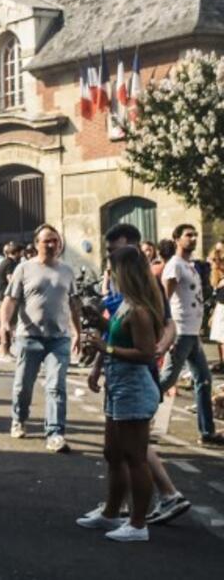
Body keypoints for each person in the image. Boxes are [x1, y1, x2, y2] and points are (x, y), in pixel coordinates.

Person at [84, 223, 191, 527]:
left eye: (113, 251)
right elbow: (117, 333)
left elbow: (165, 325)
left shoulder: (145, 289)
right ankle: (117, 510)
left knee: (134, 451)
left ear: (131, 249)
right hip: (120, 377)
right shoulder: (124, 289)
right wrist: (99, 359)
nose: (109, 259)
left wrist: (158, 347)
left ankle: (141, 516)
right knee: (117, 451)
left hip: (136, 377)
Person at [77, 246, 164, 542]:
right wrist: (100, 323)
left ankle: (138, 524)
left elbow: (146, 353)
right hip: (119, 387)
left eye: (112, 270)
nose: (108, 275)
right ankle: (111, 513)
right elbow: (118, 333)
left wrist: (107, 348)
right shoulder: (126, 304)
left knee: (134, 457)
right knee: (113, 453)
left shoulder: (139, 309)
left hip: (134, 388)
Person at [0, 224, 81, 454]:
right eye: (47, 241)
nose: (53, 245)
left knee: (56, 386)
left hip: (59, 338)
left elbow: (74, 304)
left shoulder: (67, 270)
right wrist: (5, 323)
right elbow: (10, 300)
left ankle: (55, 433)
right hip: (29, 337)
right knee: (23, 386)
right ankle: (19, 418)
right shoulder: (24, 269)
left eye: (55, 240)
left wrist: (78, 333)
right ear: (36, 244)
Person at [159, 224, 223, 446]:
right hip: (180, 332)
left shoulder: (190, 266)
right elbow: (163, 300)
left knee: (204, 380)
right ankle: (137, 419)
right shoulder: (174, 266)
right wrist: (164, 330)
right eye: (188, 235)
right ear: (176, 239)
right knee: (166, 380)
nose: (193, 238)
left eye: (195, 235)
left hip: (192, 334)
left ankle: (207, 432)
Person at [209, 241, 224, 371]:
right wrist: (213, 314)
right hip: (220, 308)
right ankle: (222, 364)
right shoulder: (216, 273)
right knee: (219, 340)